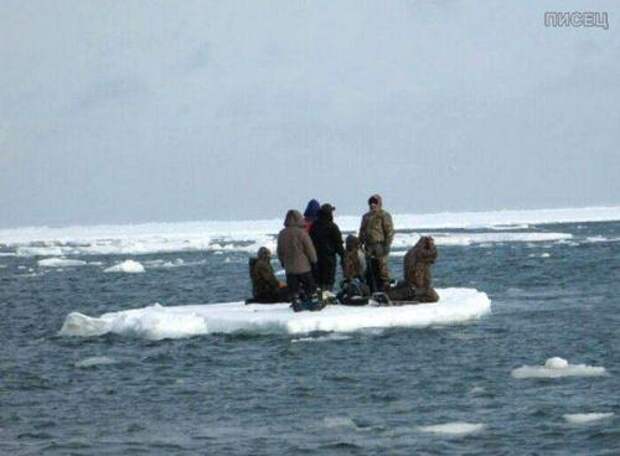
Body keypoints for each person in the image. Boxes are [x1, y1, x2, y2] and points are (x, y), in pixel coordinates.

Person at [277, 209, 318, 299]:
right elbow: (309, 249)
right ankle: (311, 303)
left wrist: (283, 262)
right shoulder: (302, 233)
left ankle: (296, 303)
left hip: (290, 268)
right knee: (310, 289)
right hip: (304, 268)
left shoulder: (282, 234)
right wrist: (314, 262)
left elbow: (280, 251)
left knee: (293, 291)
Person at [358, 194, 394, 292]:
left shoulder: (384, 215)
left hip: (380, 245)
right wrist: (359, 243)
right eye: (371, 202)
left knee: (382, 267)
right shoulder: (366, 217)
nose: (372, 205)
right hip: (368, 246)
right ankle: (371, 287)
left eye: (375, 202)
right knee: (369, 267)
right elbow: (362, 231)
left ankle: (385, 287)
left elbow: (389, 231)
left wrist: (387, 245)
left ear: (379, 203)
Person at [387, 236, 439, 303]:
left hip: (410, 284)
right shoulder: (422, 256)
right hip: (416, 286)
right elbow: (433, 254)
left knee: (408, 290)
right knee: (433, 297)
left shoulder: (413, 252)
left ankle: (393, 292)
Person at [309, 203, 344, 291]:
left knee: (318, 280)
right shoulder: (332, 226)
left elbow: (310, 241)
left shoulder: (314, 226)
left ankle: (319, 296)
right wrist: (343, 255)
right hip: (329, 258)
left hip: (316, 258)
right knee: (328, 281)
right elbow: (338, 243)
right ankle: (327, 297)